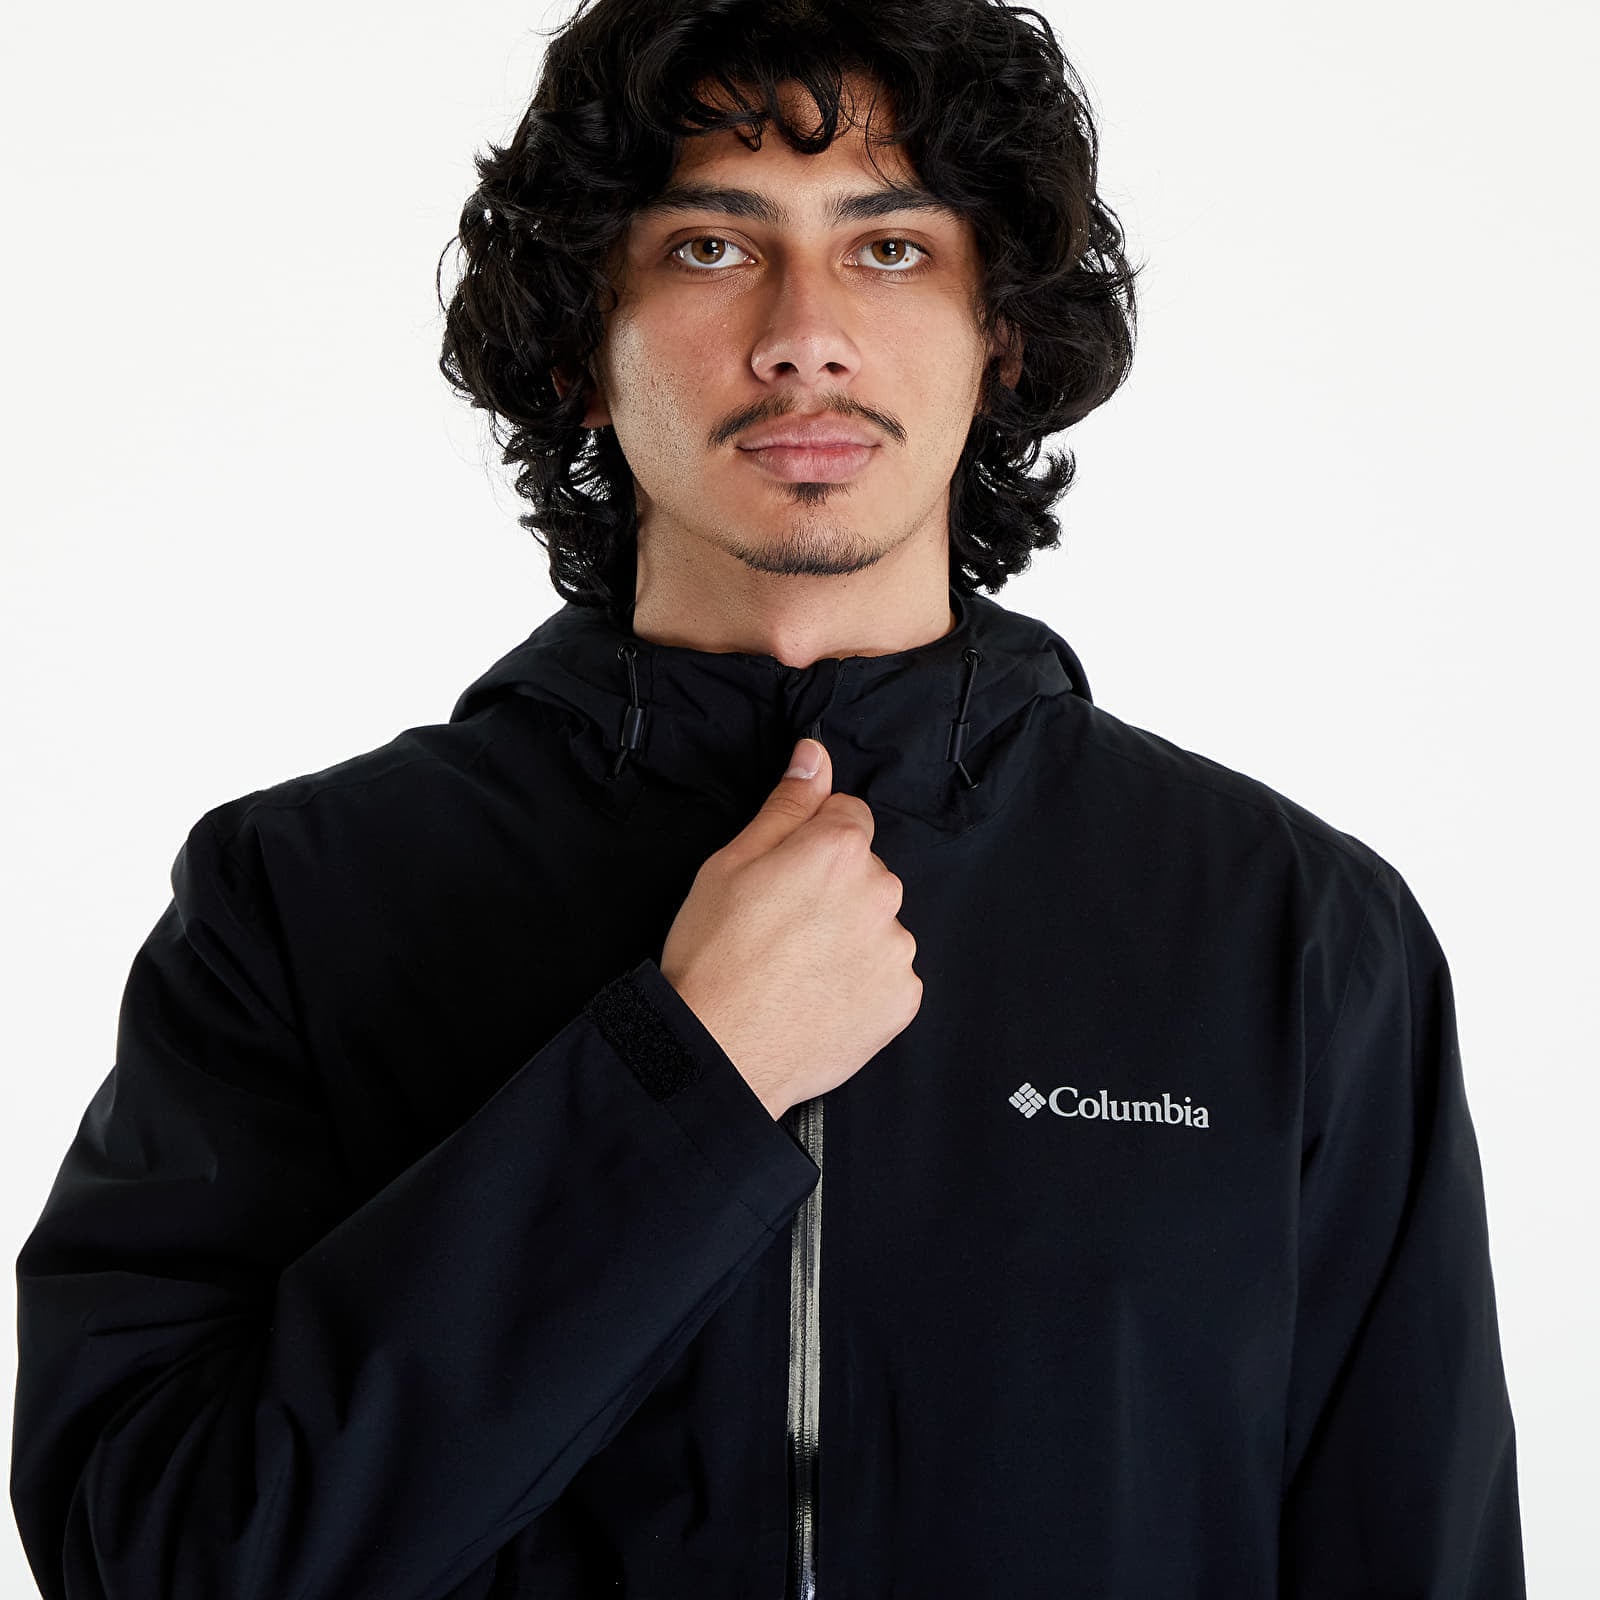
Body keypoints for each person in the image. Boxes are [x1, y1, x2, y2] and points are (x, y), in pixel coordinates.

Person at [9, 0, 1525, 1595]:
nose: (807, 333)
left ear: (1002, 336)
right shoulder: (301, 897)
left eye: (890, 249)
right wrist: (690, 1074)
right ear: (580, 349)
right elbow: (156, 1555)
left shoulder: (1291, 933)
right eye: (713, 248)